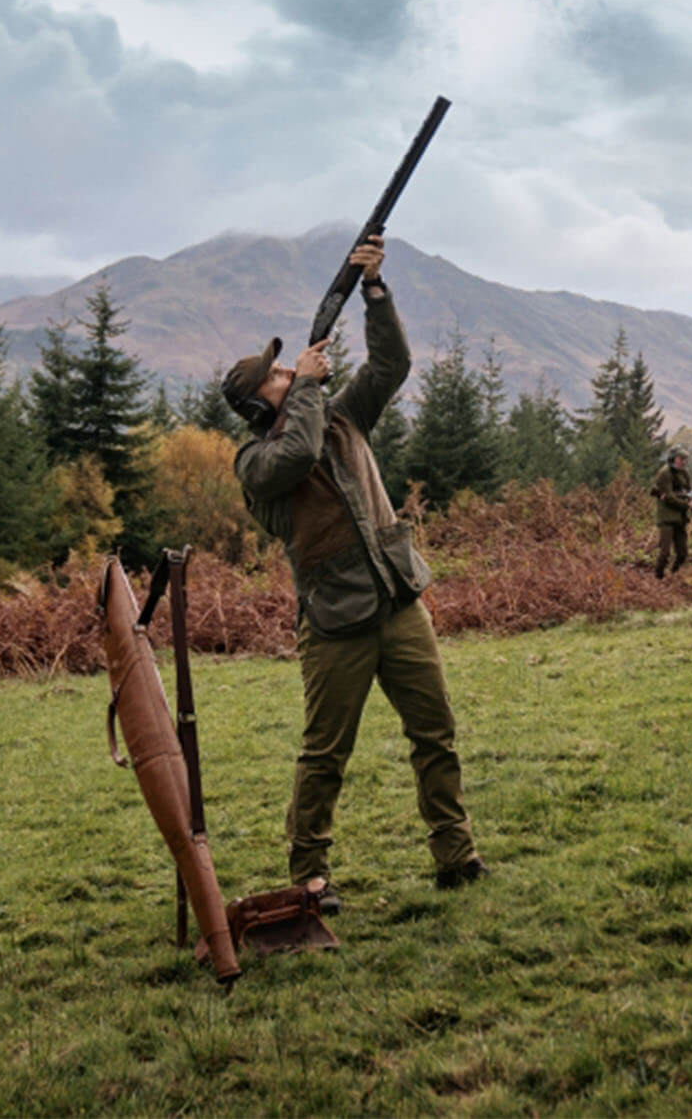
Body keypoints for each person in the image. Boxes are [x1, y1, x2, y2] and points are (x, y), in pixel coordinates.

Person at [223, 235, 485, 908]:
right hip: (336, 625)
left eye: (289, 370)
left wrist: (373, 290)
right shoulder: (255, 467)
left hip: (398, 604)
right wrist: (308, 389)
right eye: (278, 377)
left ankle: (455, 856)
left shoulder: (339, 415)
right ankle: (309, 875)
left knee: (436, 732)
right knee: (324, 758)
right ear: (259, 406)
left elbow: (392, 364)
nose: (293, 372)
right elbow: (297, 451)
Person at [652, 445, 692, 578]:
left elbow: (690, 492)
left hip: (680, 518)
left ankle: (673, 575)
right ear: (673, 459)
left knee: (683, 554)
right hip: (667, 517)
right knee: (665, 553)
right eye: (681, 458)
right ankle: (658, 578)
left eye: (685, 459)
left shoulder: (684, 473)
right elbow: (669, 498)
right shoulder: (665, 473)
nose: (684, 461)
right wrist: (688, 505)